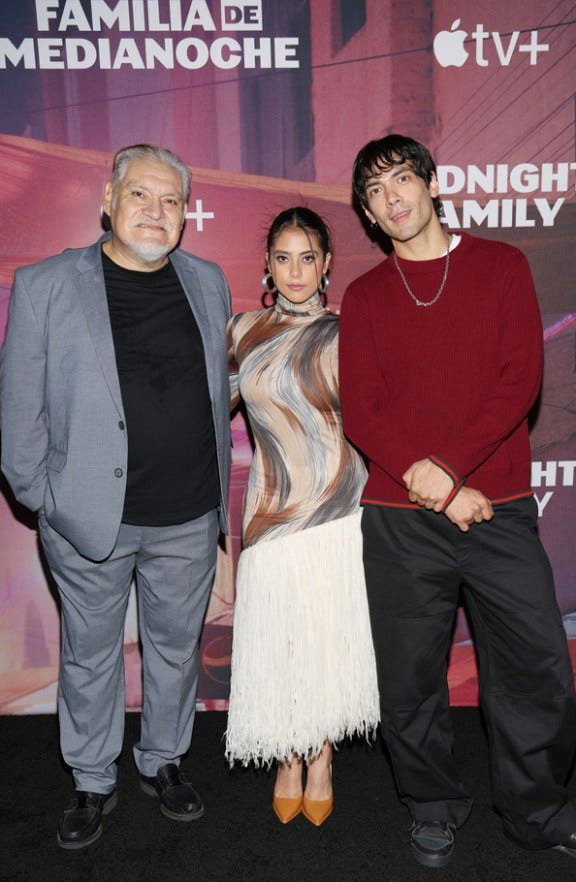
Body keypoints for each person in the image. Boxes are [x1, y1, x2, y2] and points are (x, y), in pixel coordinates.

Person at [338, 134, 576, 868]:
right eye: (375, 191)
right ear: (367, 214)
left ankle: (540, 813)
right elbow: (364, 412)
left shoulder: (501, 264)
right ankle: (431, 803)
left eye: (402, 178)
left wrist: (449, 477)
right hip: (399, 519)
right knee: (409, 675)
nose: (392, 197)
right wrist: (428, 485)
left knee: (534, 665)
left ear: (430, 183)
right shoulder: (365, 296)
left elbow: (519, 380)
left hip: (496, 508)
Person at [0, 144, 232, 849]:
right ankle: (92, 779)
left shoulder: (208, 281)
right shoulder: (44, 284)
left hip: (190, 516)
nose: (155, 213)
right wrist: (48, 503)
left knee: (174, 651)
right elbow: (18, 416)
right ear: (109, 199)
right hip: (86, 521)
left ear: (186, 214)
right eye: (141, 196)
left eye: (170, 201)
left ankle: (163, 761)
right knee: (90, 655)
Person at [224, 206, 379, 826]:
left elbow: (379, 418)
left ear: (326, 265)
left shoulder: (350, 332)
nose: (294, 271)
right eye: (282, 258)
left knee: (321, 639)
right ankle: (287, 754)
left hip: (339, 509)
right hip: (268, 512)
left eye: (307, 258)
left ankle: (320, 757)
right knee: (281, 640)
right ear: (267, 264)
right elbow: (203, 414)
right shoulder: (242, 332)